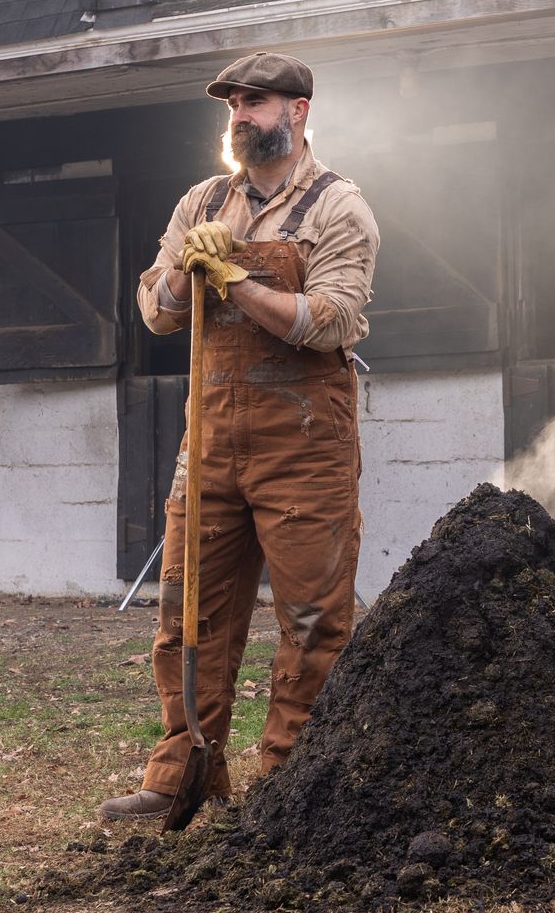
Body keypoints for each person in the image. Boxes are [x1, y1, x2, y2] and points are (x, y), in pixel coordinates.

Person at [100, 51, 379, 821]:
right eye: (233, 105)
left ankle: (292, 784)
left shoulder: (337, 206)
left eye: (256, 102)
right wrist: (185, 276)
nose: (241, 116)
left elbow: (333, 321)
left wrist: (234, 284)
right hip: (211, 442)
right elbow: (155, 313)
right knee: (189, 614)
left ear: (298, 112)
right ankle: (181, 774)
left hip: (305, 443)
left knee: (314, 618)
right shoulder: (202, 203)